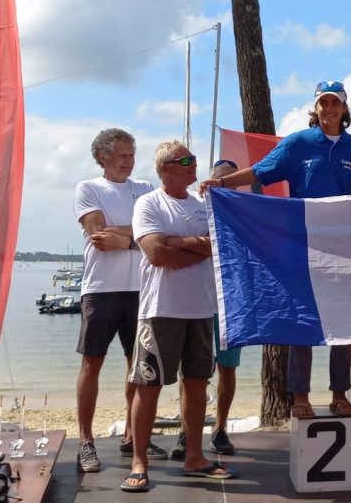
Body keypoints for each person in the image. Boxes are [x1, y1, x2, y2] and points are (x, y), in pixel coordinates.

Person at [200, 81, 351, 420]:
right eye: (323, 103)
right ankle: (300, 396)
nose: (329, 109)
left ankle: (339, 394)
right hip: (301, 247)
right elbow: (260, 172)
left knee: (344, 322)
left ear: (344, 109)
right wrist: (221, 184)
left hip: (339, 248)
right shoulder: (297, 143)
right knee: (301, 323)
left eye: (335, 103)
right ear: (315, 108)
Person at [121, 142, 234, 492]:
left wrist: (181, 242)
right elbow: (156, 253)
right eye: (185, 161)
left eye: (194, 160)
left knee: (198, 383)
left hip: (201, 309)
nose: (192, 165)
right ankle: (139, 461)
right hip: (161, 310)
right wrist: (198, 246)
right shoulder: (149, 203)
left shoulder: (202, 204)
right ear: (165, 167)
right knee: (149, 386)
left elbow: (219, 245)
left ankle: (195, 456)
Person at [73, 128, 166, 473]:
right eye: (122, 155)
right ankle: (85, 441)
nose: (129, 161)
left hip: (143, 290)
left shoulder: (144, 189)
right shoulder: (88, 189)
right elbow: (99, 234)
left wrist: (126, 238)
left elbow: (159, 230)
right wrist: (139, 233)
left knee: (139, 367)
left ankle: (132, 435)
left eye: (131, 154)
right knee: (92, 364)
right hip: (99, 290)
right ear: (103, 157)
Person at [170, 159, 242, 460]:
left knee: (227, 368)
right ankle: (187, 430)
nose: (221, 184)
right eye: (217, 179)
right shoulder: (197, 209)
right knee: (191, 371)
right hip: (197, 301)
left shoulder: (245, 213)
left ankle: (220, 428)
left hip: (231, 304)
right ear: (208, 182)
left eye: (228, 180)